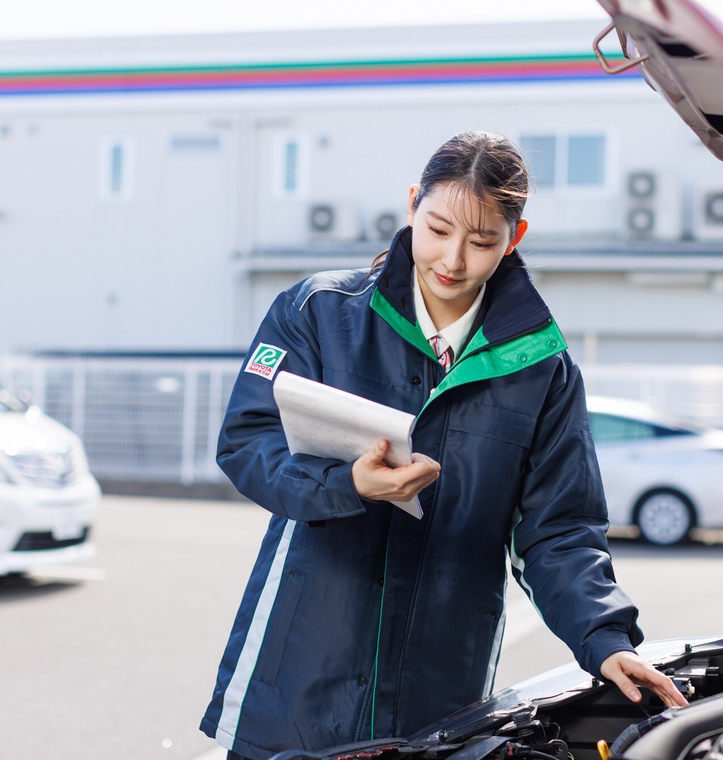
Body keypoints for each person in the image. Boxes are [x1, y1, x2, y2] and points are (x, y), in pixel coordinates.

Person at [200, 131, 687, 760]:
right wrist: (346, 485)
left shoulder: (541, 368)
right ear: (411, 205)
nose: (452, 259)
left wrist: (607, 640)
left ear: (515, 237)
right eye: (437, 229)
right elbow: (248, 439)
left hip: (440, 685)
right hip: (300, 666)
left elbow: (560, 529)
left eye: (482, 241)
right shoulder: (320, 310)